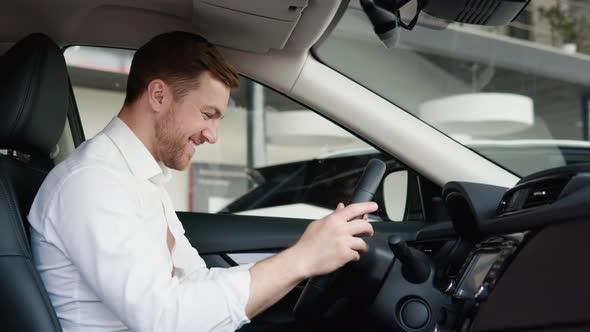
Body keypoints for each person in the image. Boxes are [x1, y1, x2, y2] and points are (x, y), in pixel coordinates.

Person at [28, 31, 377, 332]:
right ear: (159, 96)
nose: (212, 135)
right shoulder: (93, 183)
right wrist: (302, 259)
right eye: (207, 114)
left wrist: (300, 261)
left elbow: (194, 279)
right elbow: (164, 319)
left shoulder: (140, 179)